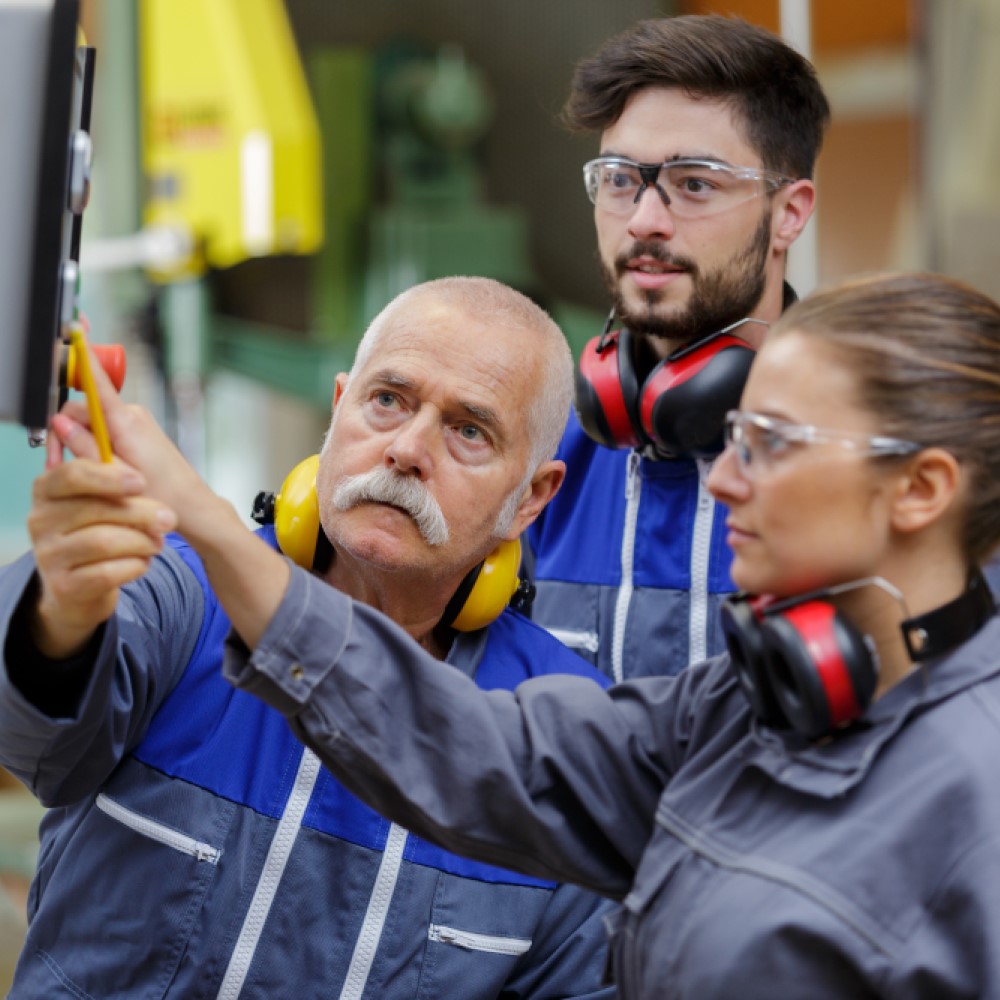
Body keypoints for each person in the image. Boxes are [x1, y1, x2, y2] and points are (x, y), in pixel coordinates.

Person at [77, 271, 1000, 998]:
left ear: (920, 490)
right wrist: (197, 520)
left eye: (774, 444)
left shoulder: (977, 800)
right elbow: (473, 746)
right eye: (736, 440)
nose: (721, 484)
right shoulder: (739, 706)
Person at [0, 276, 618, 998]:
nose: (407, 449)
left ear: (533, 498)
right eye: (387, 400)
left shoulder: (558, 734)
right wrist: (61, 612)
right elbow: (29, 737)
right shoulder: (179, 593)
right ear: (338, 409)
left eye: (468, 431)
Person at [525, 14, 831, 681]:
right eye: (619, 179)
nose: (644, 220)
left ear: (791, 213)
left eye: (695, 183)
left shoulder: (871, 459)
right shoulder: (540, 457)